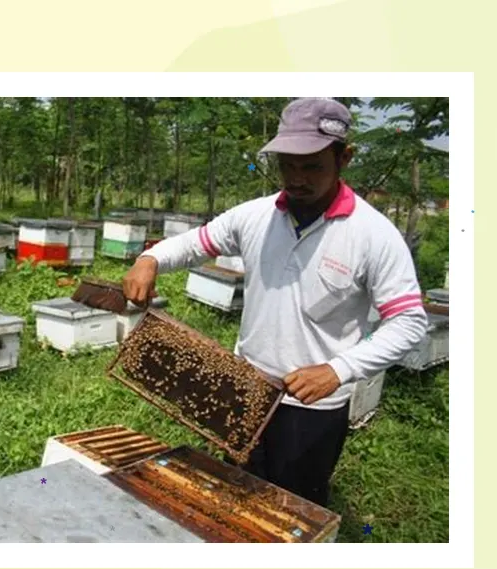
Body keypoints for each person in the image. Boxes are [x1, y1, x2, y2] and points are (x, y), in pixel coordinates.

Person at [121, 97, 430, 507]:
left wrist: (338, 370)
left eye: (312, 166)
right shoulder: (255, 216)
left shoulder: (373, 234)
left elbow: (409, 321)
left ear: (345, 158)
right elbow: (197, 243)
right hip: (243, 386)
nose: (297, 178)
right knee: (234, 493)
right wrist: (151, 258)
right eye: (288, 165)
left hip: (312, 406)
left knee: (292, 507)